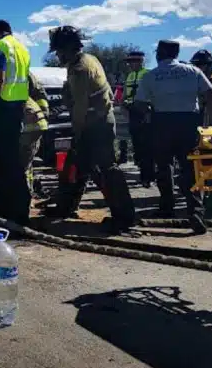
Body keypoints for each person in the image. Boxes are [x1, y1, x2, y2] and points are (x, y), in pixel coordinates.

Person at [48, 26, 135, 233]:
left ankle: (125, 217)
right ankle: (65, 207)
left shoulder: (80, 69)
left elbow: (79, 107)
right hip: (97, 121)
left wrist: (78, 132)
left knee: (106, 169)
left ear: (68, 49)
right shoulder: (85, 60)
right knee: (75, 166)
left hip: (95, 126)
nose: (58, 56)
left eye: (59, 51)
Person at [135, 40, 212, 234]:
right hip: (188, 121)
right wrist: (200, 111)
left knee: (164, 166)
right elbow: (211, 95)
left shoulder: (151, 75)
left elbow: (139, 104)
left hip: (162, 121)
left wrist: (149, 112)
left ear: (159, 54)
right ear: (177, 53)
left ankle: (166, 207)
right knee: (190, 166)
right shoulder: (192, 71)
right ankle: (195, 211)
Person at [0, 20, 32, 226]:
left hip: (2, 108)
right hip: (17, 108)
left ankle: (7, 210)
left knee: (3, 161)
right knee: (12, 160)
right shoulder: (23, 49)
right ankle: (18, 209)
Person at [122, 50, 153, 186]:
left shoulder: (148, 74)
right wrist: (123, 106)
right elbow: (125, 94)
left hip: (145, 112)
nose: (132, 64)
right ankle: (143, 174)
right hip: (132, 112)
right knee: (137, 146)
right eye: (130, 62)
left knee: (147, 146)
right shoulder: (129, 76)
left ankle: (148, 177)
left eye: (135, 61)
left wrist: (149, 113)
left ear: (141, 61)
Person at [21, 71, 48, 206]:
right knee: (26, 165)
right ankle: (26, 200)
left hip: (27, 124)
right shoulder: (24, 72)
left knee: (20, 167)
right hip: (35, 122)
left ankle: (22, 206)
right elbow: (40, 93)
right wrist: (44, 113)